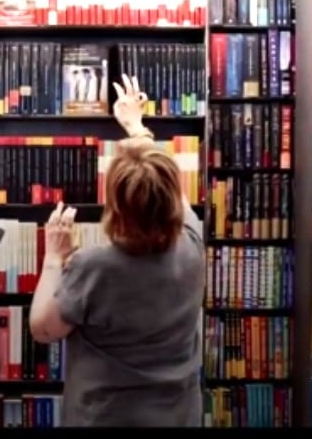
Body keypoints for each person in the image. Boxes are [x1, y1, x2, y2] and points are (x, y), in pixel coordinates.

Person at [28, 74, 205, 427]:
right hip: (178, 416)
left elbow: (42, 328)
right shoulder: (192, 241)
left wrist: (53, 257)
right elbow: (170, 190)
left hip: (106, 418)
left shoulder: (92, 266)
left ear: (115, 205)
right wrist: (137, 127)